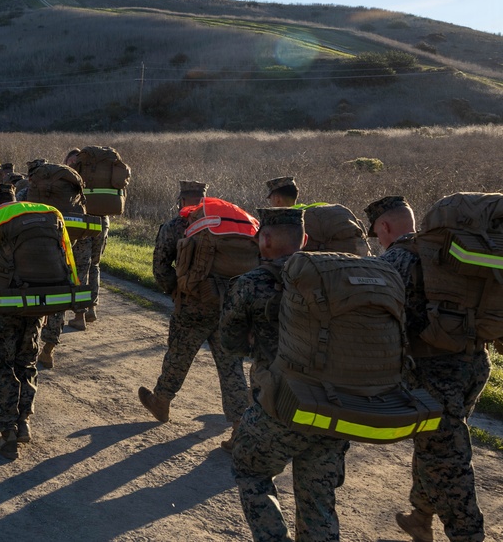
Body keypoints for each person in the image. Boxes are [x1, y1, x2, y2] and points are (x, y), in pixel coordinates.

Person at [220, 207, 350, 542]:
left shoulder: (251, 284)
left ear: (262, 240)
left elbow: (230, 343)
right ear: (304, 240)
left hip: (281, 404)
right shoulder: (334, 279)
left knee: (250, 470)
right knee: (318, 499)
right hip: (336, 406)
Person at [367, 195, 490, 542]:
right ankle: (420, 516)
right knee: (436, 443)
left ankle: (468, 535)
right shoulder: (449, 252)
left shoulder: (397, 259)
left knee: (447, 462)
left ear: (385, 227)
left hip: (432, 373)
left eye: (377, 233)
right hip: (476, 362)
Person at [0, 183, 78, 460]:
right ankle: (23, 423)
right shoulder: (46, 215)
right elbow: (66, 257)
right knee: (26, 360)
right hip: (37, 303)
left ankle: (6, 433)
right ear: (15, 198)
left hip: (3, 305)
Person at [139, 180, 249, 452]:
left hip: (193, 305)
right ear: (205, 197)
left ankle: (161, 401)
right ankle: (240, 427)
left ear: (180, 199)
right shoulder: (227, 223)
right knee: (231, 366)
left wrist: (175, 291)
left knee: (179, 353)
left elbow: (161, 267)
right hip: (229, 305)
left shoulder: (176, 225)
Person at [64, 149, 109, 324]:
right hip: (102, 220)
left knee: (81, 267)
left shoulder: (69, 174)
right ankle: (92, 308)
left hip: (83, 222)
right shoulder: (97, 175)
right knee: (95, 265)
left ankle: (79, 315)